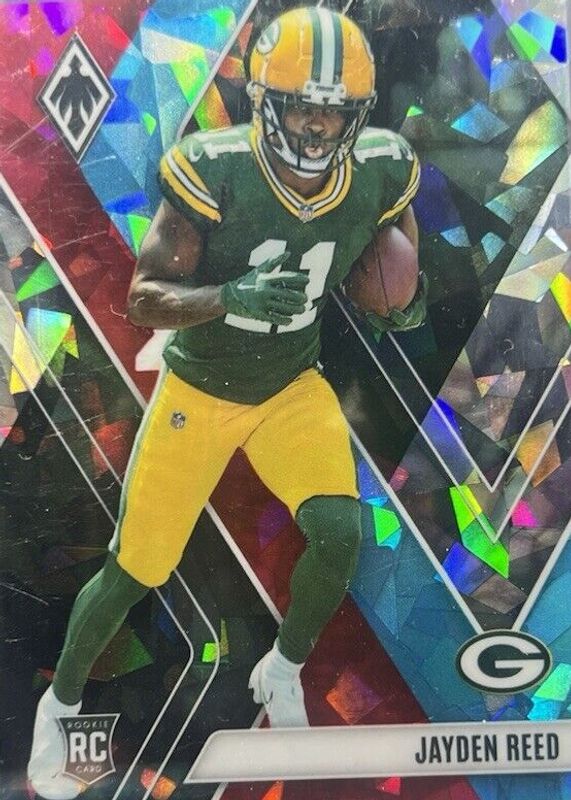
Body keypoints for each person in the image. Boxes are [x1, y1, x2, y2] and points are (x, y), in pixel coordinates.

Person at [27, 7, 427, 798]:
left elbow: (397, 267)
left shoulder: (383, 167)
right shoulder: (212, 167)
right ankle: (59, 704)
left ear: (358, 114)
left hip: (289, 385)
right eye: (301, 106)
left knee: (340, 535)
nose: (316, 127)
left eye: (333, 111)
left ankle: (282, 668)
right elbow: (143, 298)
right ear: (263, 101)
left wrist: (403, 305)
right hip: (201, 390)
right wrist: (228, 295)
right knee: (135, 570)